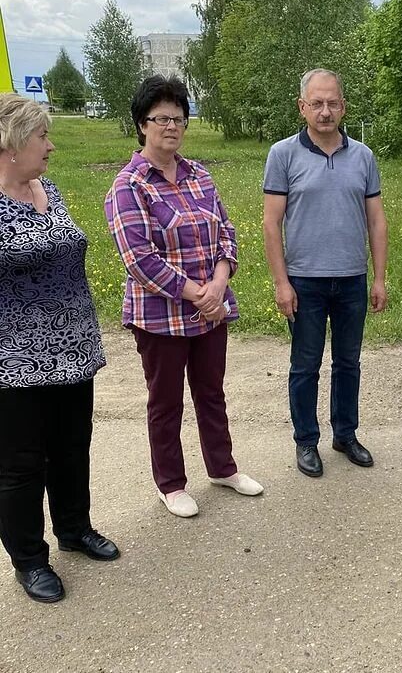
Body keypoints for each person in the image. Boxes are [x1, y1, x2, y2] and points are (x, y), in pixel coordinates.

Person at [105, 75, 262, 518]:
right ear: (142, 124)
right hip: (161, 317)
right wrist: (198, 293)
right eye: (161, 119)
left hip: (210, 310)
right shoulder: (129, 185)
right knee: (166, 400)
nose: (171, 126)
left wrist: (218, 283)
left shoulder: (201, 176)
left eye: (179, 118)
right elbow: (139, 257)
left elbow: (226, 234)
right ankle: (171, 483)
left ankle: (223, 467)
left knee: (211, 392)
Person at [0, 93, 119, 604]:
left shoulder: (48, 189)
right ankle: (29, 559)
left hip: (74, 348)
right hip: (14, 359)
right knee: (21, 464)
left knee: (72, 448)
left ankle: (75, 529)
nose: (50, 145)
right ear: (10, 144)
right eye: (41, 137)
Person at [263, 68, 388, 478]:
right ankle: (306, 441)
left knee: (348, 362)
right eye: (316, 103)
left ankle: (346, 434)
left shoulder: (363, 156)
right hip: (305, 281)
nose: (325, 111)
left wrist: (379, 277)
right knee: (305, 365)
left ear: (343, 106)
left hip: (351, 278)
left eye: (333, 102)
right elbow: (271, 224)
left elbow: (376, 221)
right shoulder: (283, 155)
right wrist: (282, 283)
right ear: (302, 107)